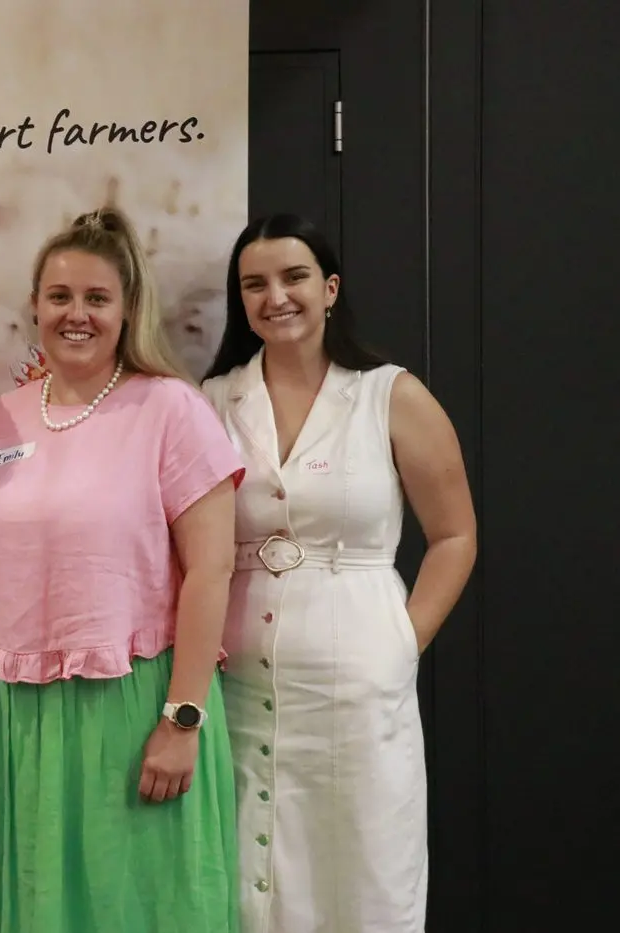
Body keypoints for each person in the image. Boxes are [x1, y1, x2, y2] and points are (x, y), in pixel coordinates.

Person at [0, 207, 244, 933]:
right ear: (34, 305)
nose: (75, 314)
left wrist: (181, 718)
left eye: (95, 298)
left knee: (136, 904)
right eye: (59, 297)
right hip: (20, 718)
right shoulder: (0, 419)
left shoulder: (171, 408)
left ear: (126, 309)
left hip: (135, 706)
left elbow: (211, 570)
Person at [201, 214, 477, 933]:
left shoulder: (389, 395)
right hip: (235, 688)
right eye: (253, 284)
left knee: (360, 863)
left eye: (293, 277)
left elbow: (453, 534)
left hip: (355, 685)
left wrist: (398, 643)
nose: (275, 297)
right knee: (243, 872)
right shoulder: (212, 400)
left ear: (328, 288)